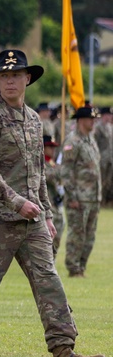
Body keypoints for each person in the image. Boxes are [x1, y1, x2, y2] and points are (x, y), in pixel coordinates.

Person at [0, 49, 105, 357]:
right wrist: (17, 202)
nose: (11, 81)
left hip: (32, 221)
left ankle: (64, 353)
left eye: (16, 75)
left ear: (28, 78)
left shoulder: (33, 120)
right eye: (4, 76)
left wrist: (45, 212)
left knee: (49, 281)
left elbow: (38, 172)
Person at [60, 103, 102, 278]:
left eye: (94, 119)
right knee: (77, 234)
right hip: (79, 197)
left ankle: (81, 266)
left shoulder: (90, 140)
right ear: (81, 120)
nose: (93, 122)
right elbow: (66, 172)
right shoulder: (73, 141)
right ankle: (73, 267)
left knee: (89, 236)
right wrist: (72, 196)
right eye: (90, 119)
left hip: (93, 196)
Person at [43, 135, 65, 256]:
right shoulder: (40, 162)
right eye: (49, 147)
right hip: (46, 204)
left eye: (53, 147)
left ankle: (52, 259)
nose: (53, 150)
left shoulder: (51, 162)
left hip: (55, 203)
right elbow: (49, 177)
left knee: (58, 231)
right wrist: (59, 169)